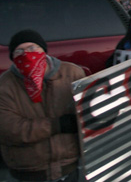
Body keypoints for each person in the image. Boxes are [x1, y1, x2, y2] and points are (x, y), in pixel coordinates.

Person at [0, 30, 84, 182]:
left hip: (70, 167)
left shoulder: (71, 73)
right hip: (29, 172)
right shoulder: (5, 85)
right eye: (19, 51)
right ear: (12, 57)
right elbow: (9, 129)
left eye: (32, 48)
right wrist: (56, 125)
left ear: (43, 50)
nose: (26, 54)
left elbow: (88, 111)